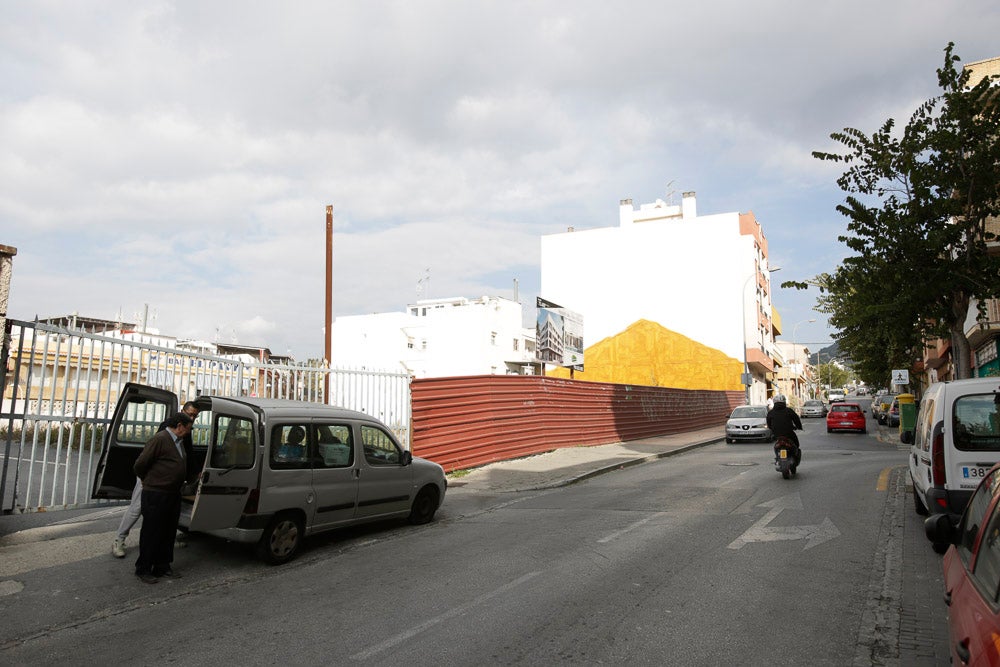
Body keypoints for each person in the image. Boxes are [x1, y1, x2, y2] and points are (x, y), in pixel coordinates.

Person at [112, 401, 199, 558]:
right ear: (182, 412)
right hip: (151, 479)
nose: (192, 417)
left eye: (194, 415)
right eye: (190, 414)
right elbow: (147, 459)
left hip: (166, 482)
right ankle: (119, 539)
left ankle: (166, 540)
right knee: (136, 508)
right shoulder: (168, 427)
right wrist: (146, 479)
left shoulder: (186, 429)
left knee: (166, 512)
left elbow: (188, 453)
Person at [132, 411, 195, 583]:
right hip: (156, 494)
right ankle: (143, 568)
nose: (189, 432)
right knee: (152, 532)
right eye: (188, 428)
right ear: (179, 426)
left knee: (168, 531)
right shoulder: (160, 439)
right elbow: (140, 465)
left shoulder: (178, 442)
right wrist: (150, 481)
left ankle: (163, 566)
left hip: (173, 493)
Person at [767, 394, 803, 468]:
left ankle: (778, 457)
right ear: (784, 402)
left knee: (776, 446)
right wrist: (799, 427)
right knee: (796, 443)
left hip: (777, 435)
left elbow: (769, 423)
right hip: (789, 433)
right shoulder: (788, 410)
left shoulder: (771, 412)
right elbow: (796, 419)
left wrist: (772, 429)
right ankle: (794, 456)